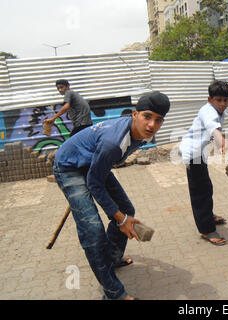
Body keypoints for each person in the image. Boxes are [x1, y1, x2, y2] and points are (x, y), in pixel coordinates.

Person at [52, 91, 170, 299]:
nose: (152, 125)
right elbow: (94, 184)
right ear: (135, 114)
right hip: (68, 167)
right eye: (147, 116)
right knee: (93, 230)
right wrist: (121, 220)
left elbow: (97, 174)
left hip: (92, 161)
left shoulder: (140, 133)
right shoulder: (113, 142)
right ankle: (114, 293)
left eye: (158, 120)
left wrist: (122, 215)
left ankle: (112, 258)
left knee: (126, 210)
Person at [179, 80, 228, 246]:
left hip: (200, 154)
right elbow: (213, 128)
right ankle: (206, 230)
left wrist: (221, 144)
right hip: (192, 155)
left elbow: (214, 132)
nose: (223, 104)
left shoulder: (218, 112)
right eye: (219, 100)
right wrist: (223, 143)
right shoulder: (207, 111)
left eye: (225, 100)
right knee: (200, 193)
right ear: (210, 99)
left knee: (206, 187)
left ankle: (208, 216)